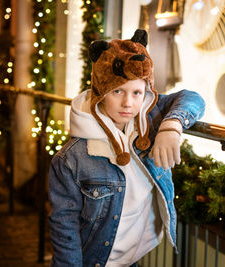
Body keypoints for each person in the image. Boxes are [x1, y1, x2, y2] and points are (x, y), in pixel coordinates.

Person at [48, 29, 205, 267]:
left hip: (133, 260)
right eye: (117, 91)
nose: (128, 103)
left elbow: (193, 99)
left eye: (137, 92)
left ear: (147, 93)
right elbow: (64, 228)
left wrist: (171, 125)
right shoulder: (71, 159)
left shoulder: (149, 116)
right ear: (100, 92)